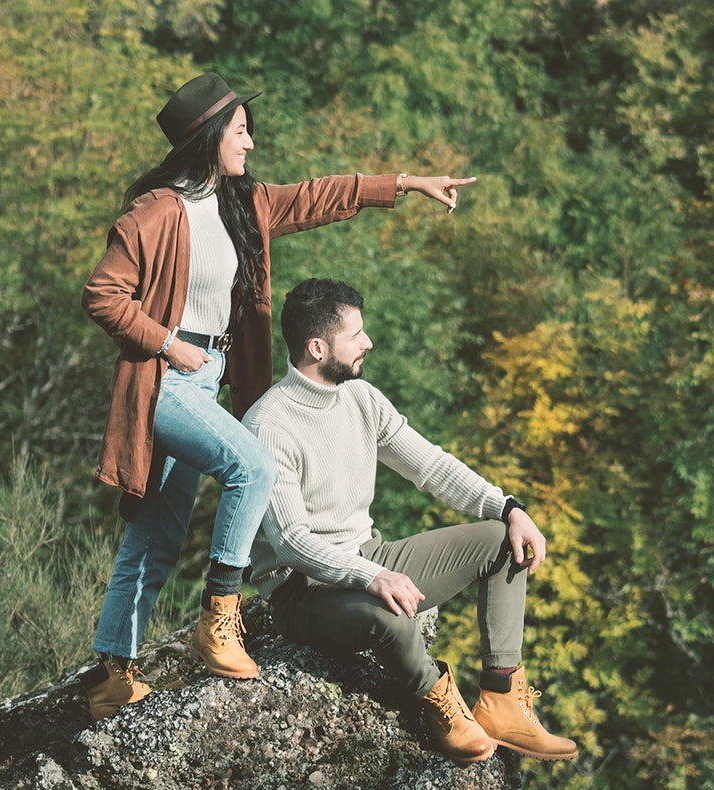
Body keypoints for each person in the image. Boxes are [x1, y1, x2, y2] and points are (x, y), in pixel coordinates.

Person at [77, 71, 476, 721]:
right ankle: (221, 615)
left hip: (210, 380)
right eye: (240, 131)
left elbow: (320, 196)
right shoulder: (154, 211)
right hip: (166, 380)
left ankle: (111, 676)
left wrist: (405, 184)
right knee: (253, 464)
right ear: (207, 138)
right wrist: (168, 343)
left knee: (158, 532)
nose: (251, 143)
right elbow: (103, 295)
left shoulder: (244, 205)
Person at [242, 278, 579, 764]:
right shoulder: (269, 425)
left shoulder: (361, 398)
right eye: (356, 334)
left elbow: (431, 466)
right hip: (304, 592)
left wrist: (509, 507)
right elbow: (292, 542)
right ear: (318, 347)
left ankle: (502, 699)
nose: (368, 343)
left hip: (369, 556)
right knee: (393, 619)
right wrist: (372, 575)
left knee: (503, 541)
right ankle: (437, 702)